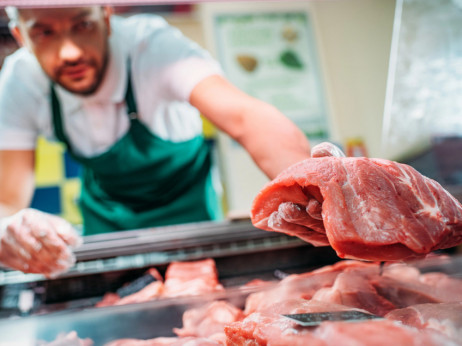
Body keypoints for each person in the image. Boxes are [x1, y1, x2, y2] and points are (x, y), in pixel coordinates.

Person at [0, 6, 312, 276]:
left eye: (83, 25)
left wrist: (315, 188)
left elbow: (247, 118)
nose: (70, 52)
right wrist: (8, 227)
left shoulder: (154, 48)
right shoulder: (22, 80)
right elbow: (7, 200)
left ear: (106, 17)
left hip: (189, 214)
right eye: (43, 33)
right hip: (108, 221)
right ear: (20, 36)